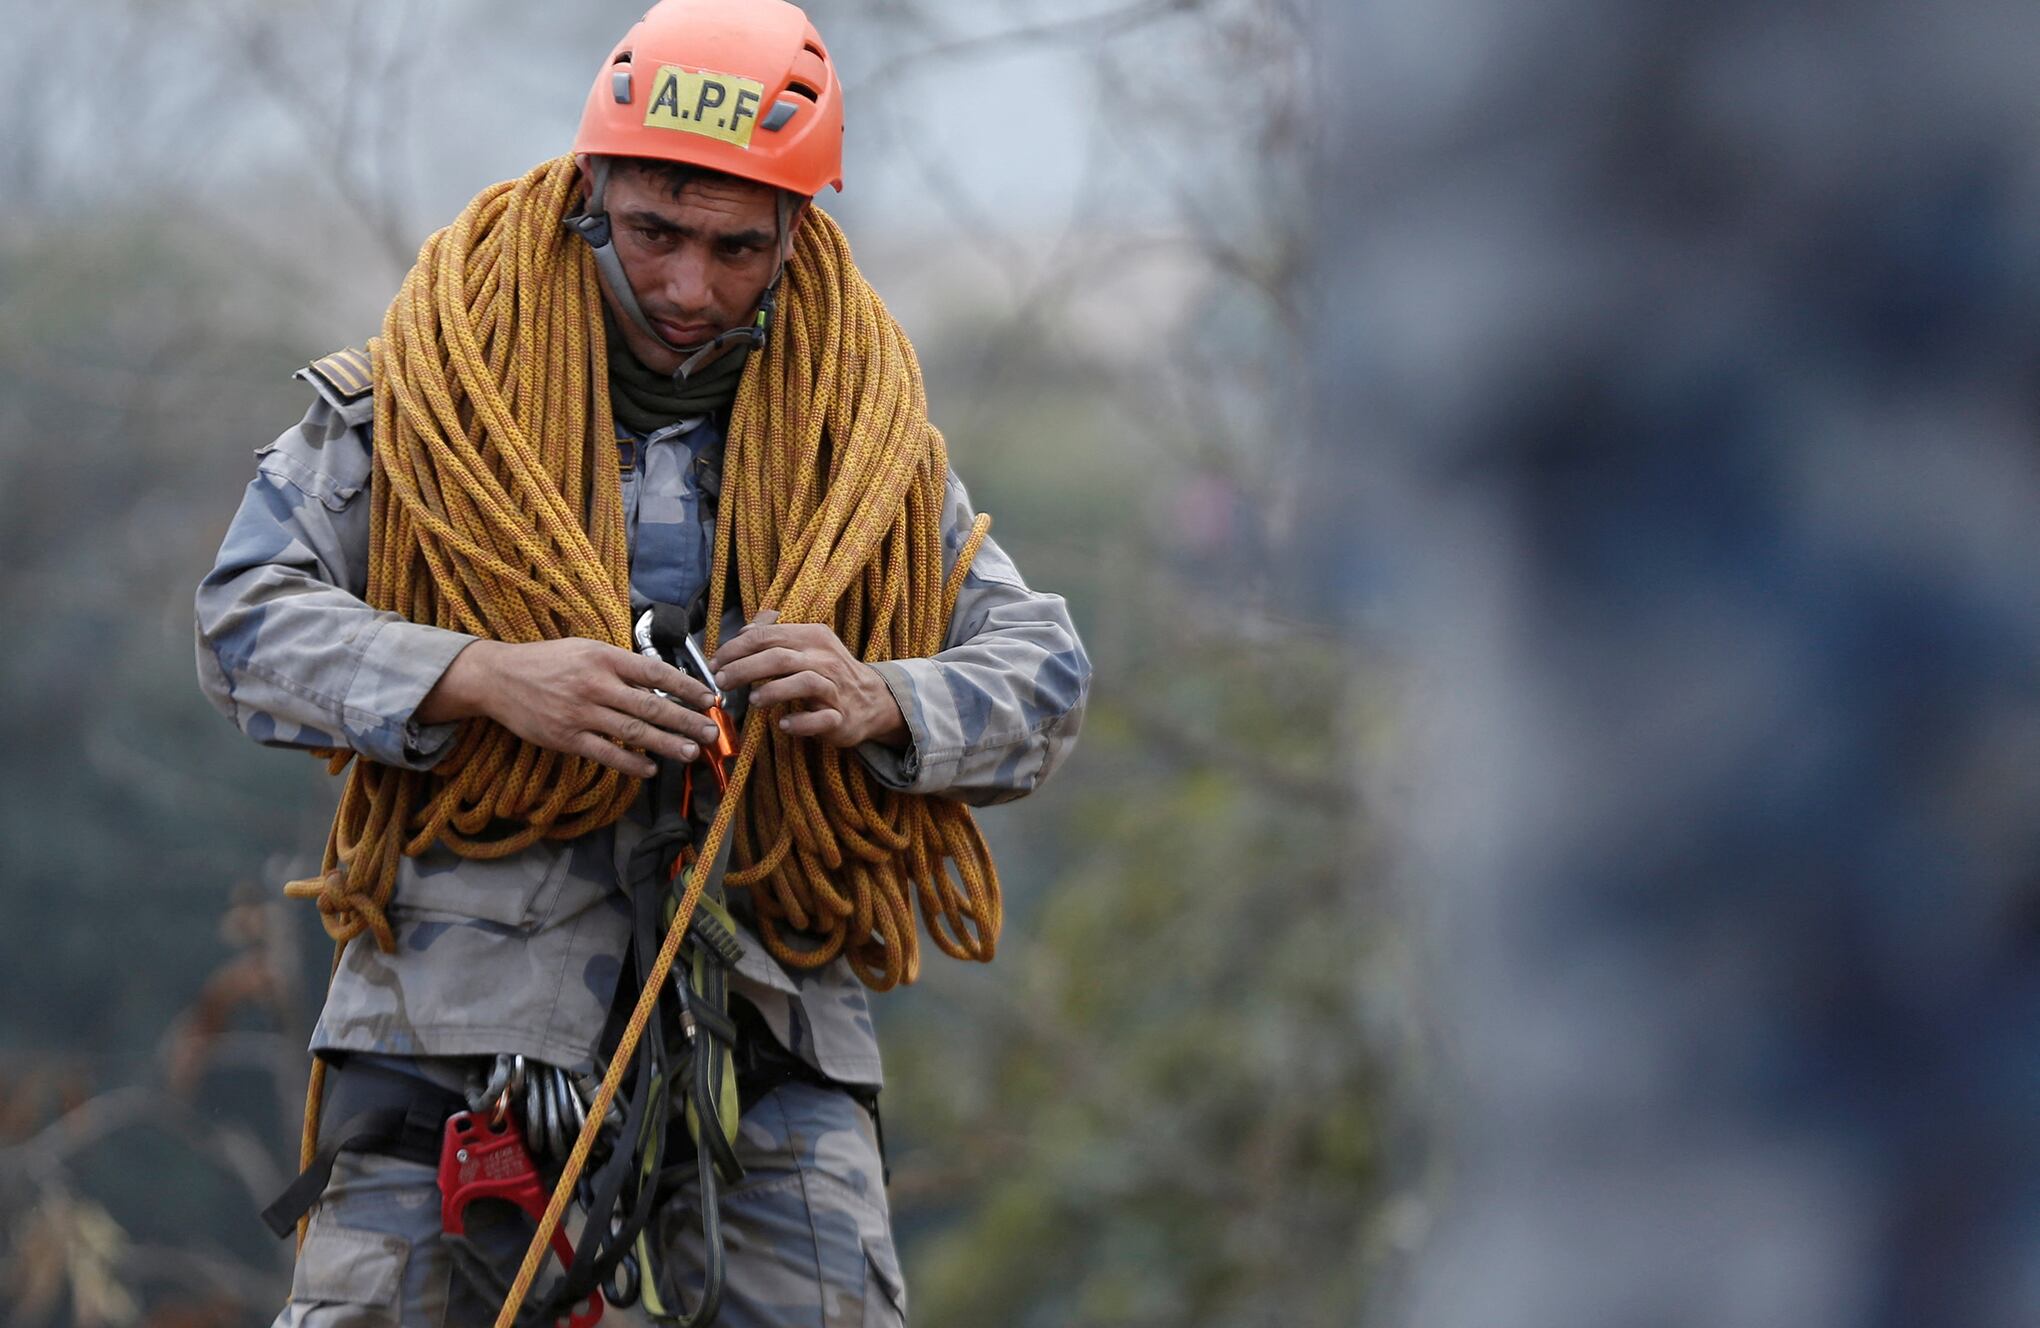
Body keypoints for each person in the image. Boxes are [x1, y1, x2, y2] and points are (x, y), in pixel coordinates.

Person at [194, 1, 1089, 1323]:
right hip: (454, 1027)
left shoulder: (863, 448)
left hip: (766, 1027)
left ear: (796, 235)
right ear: (589, 192)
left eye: (738, 249)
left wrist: (883, 695)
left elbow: (1046, 673)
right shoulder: (430, 397)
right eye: (657, 232)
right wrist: (485, 679)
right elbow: (242, 624)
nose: (688, 288)